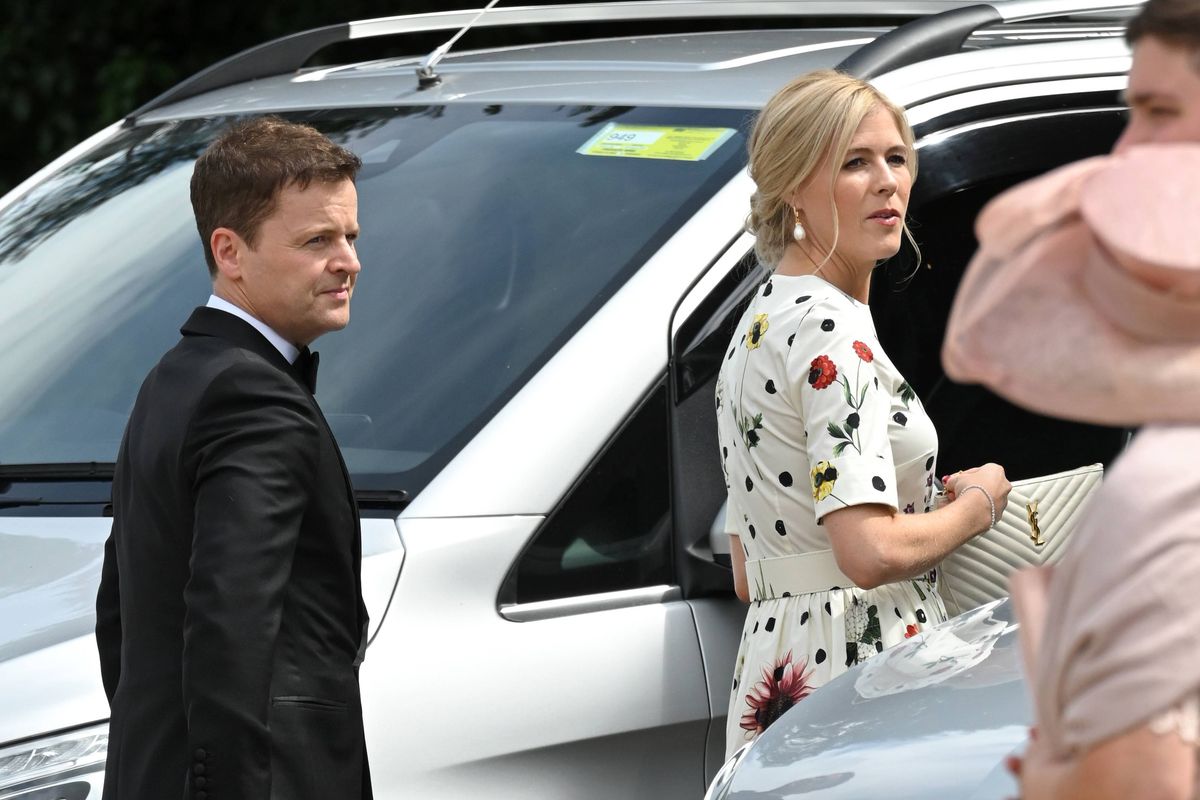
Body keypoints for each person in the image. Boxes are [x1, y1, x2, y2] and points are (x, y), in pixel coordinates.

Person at [941, 2, 1200, 797]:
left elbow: (1139, 779)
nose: (1123, 151)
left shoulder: (1175, 488)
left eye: (1159, 112)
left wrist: (1056, 770)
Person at [717, 69, 1011, 757]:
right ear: (793, 186)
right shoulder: (830, 332)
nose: (887, 182)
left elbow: (747, 571)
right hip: (863, 667)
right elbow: (870, 552)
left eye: (896, 158)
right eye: (855, 162)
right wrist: (979, 504)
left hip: (778, 666)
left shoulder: (760, 323)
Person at [95, 116, 372, 800]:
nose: (348, 262)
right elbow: (230, 627)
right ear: (230, 251)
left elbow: (120, 620)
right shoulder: (252, 396)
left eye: (351, 237)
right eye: (317, 240)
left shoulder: (173, 378)